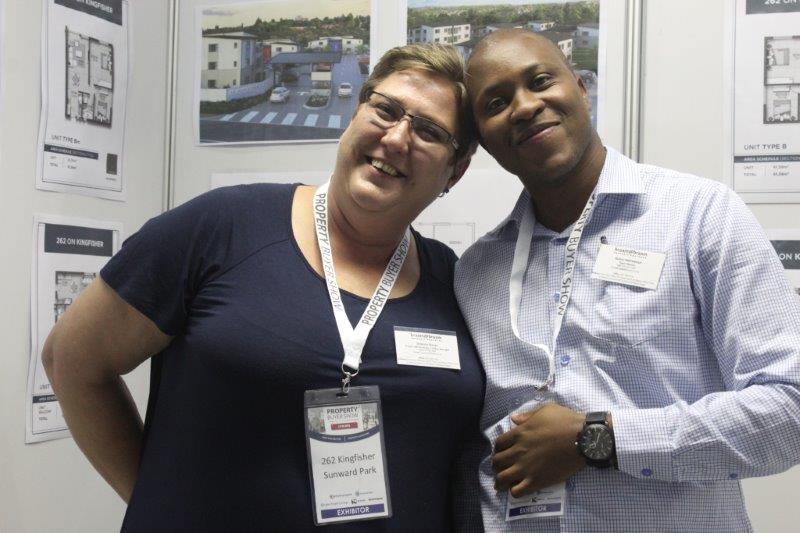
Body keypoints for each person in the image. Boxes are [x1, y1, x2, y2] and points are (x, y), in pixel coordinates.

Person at [42, 44, 485, 531]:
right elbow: (71, 361)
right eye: (385, 110)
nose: (397, 138)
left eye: (429, 131)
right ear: (356, 113)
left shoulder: (452, 281)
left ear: (455, 171)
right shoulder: (222, 228)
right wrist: (160, 506)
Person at [454, 28, 800, 531]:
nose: (525, 106)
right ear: (484, 139)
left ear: (581, 89)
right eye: (496, 103)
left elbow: (790, 408)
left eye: (541, 81)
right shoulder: (475, 272)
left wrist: (599, 439)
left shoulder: (701, 216)